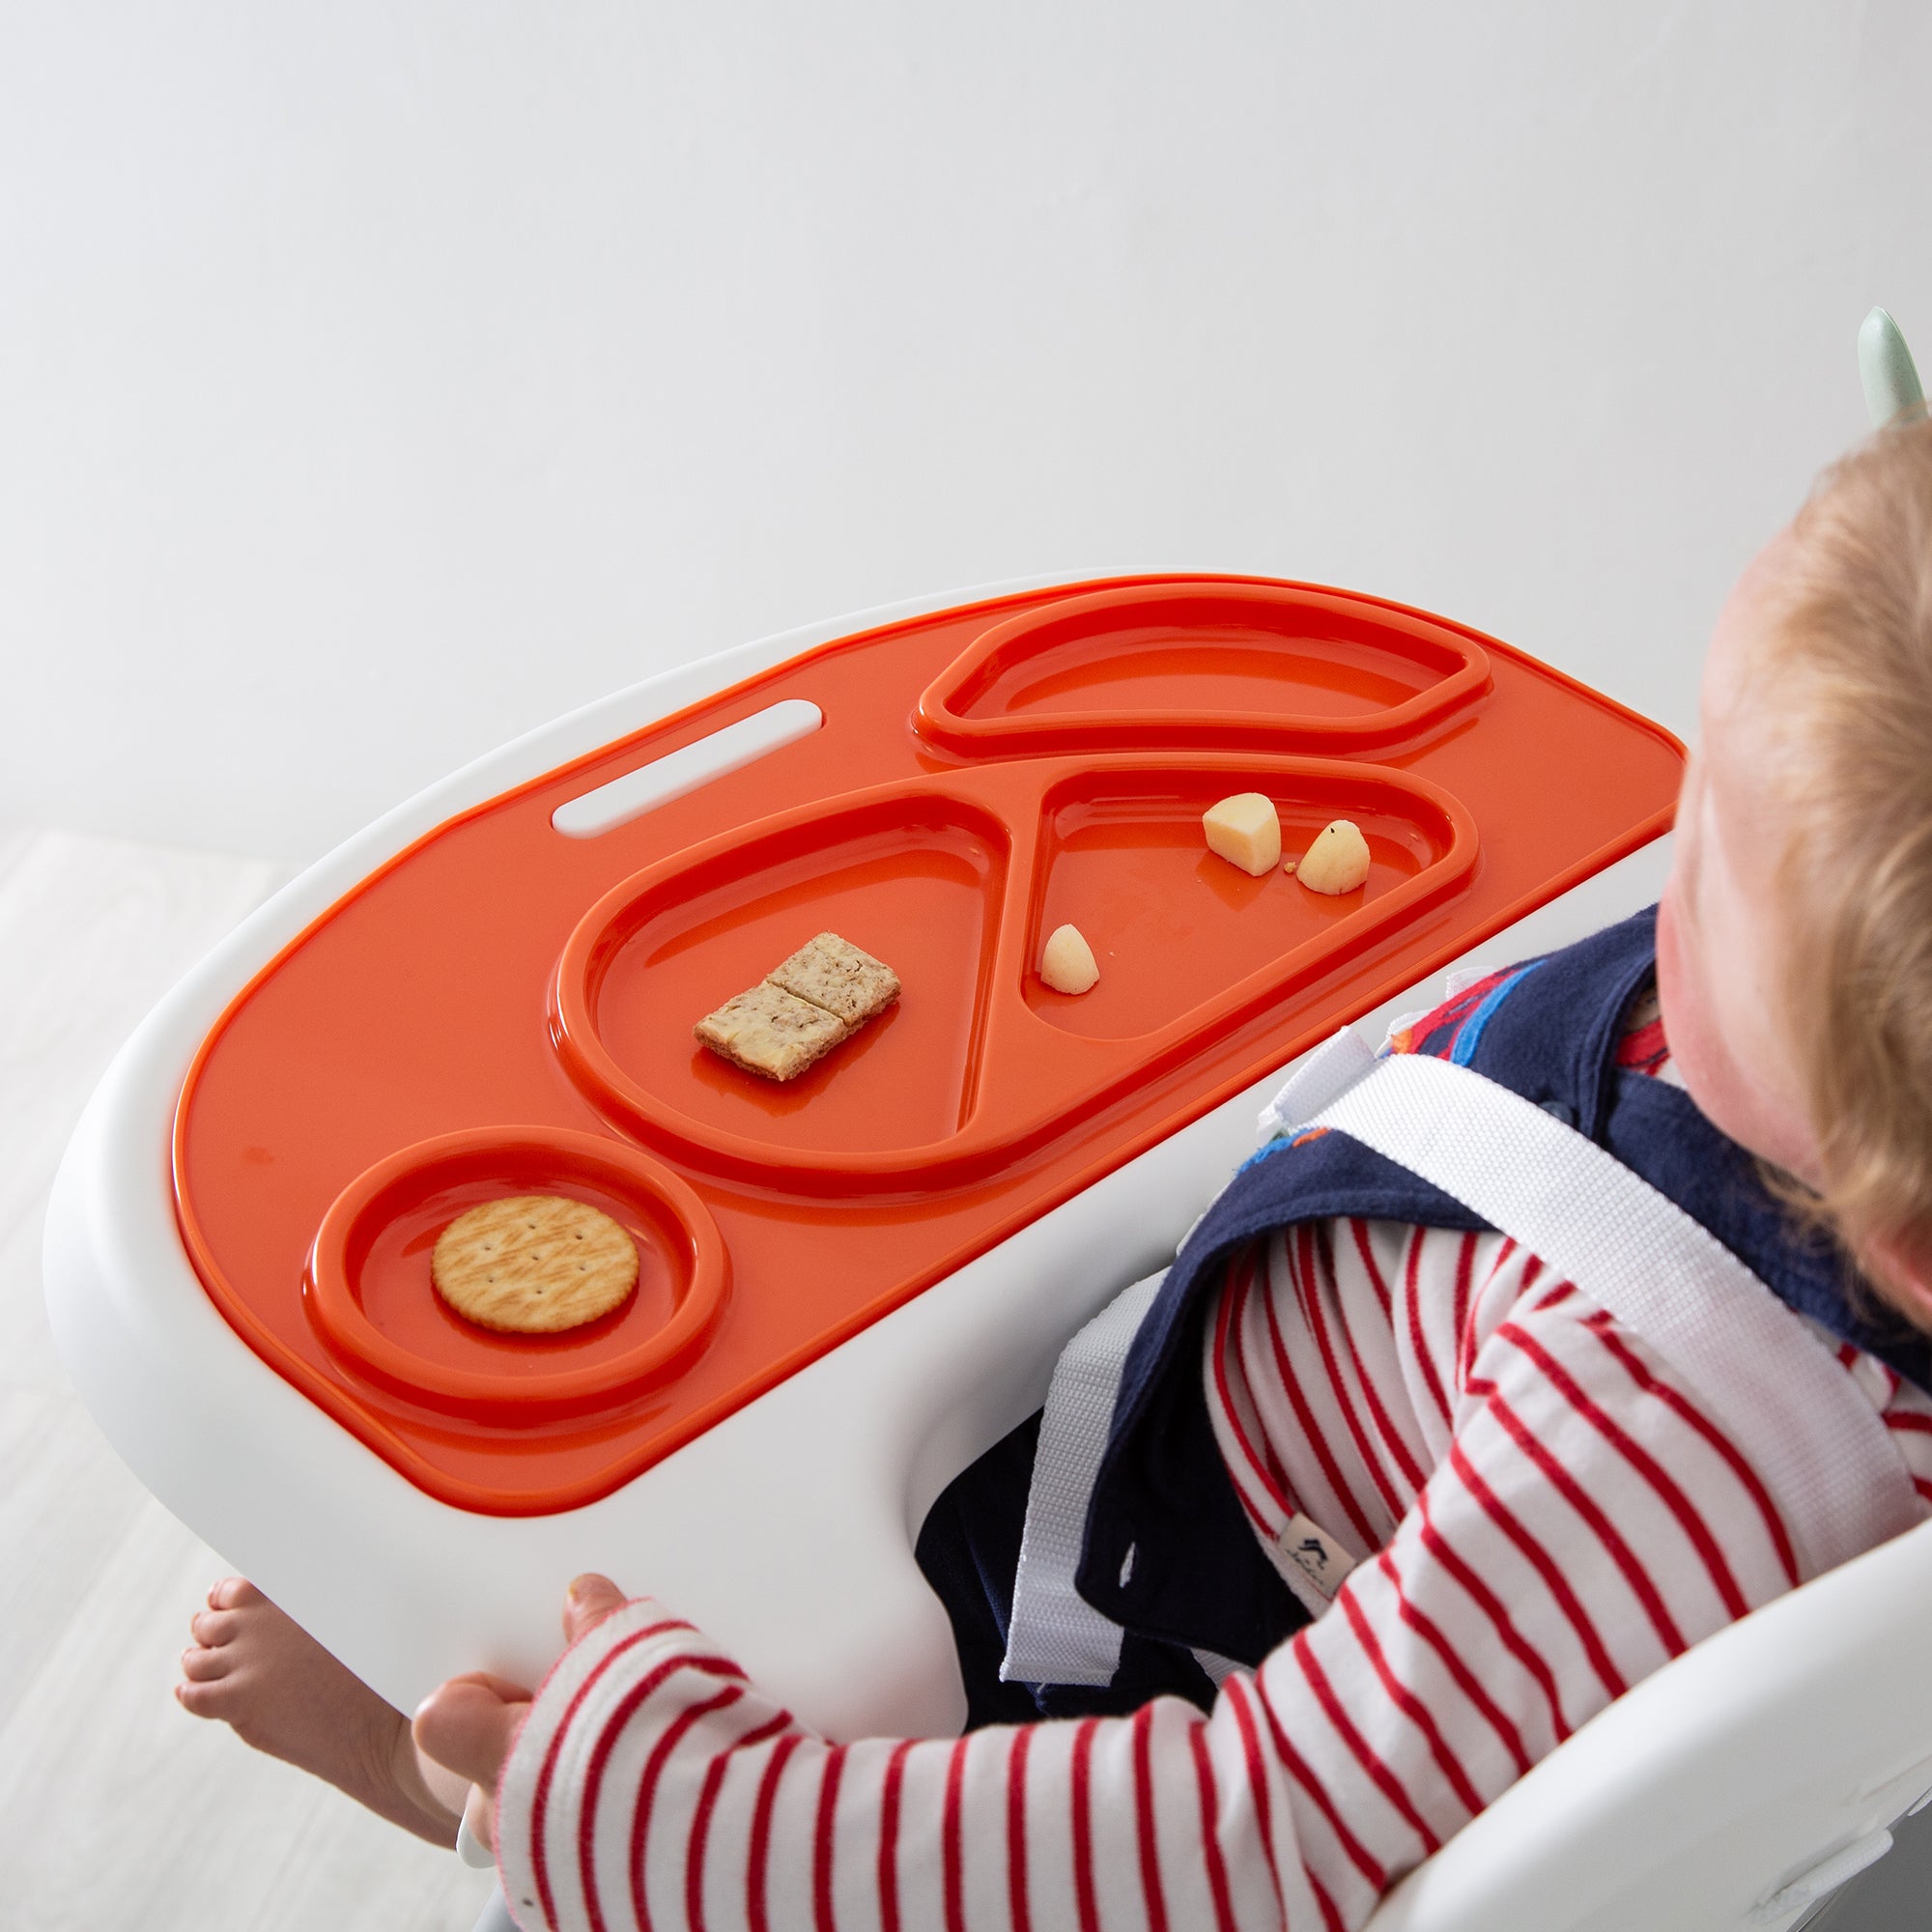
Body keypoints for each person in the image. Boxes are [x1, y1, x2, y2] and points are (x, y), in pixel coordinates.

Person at [179, 417, 1932, 1929]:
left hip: (1131, 1652)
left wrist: (675, 1813)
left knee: (584, 1742)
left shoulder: (1653, 1467)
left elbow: (1253, 1843)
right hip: (1282, 1334)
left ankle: (507, 1816)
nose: (1670, 824)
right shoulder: (1843, 1104)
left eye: (1703, 864)